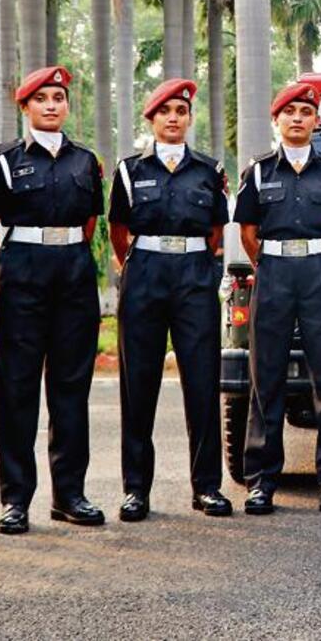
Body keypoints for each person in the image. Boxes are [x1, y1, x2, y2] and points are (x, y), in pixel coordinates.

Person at [0, 65, 106, 534]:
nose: (52, 105)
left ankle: (69, 494)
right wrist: (7, 273)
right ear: (25, 107)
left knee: (71, 388)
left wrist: (66, 256)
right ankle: (15, 499)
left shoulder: (85, 162)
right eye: (42, 99)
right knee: (17, 390)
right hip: (22, 271)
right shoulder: (4, 159)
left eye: (59, 98)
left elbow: (90, 225)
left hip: (72, 270)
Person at [108, 78, 234, 521]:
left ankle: (208, 488)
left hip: (193, 278)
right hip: (144, 276)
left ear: (190, 119)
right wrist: (135, 267)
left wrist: (201, 268)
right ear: (152, 119)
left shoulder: (209, 171)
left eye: (181, 111)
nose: (174, 118)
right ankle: (136, 490)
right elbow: (117, 230)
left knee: (201, 384)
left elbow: (217, 231)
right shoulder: (129, 171)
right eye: (165, 112)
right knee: (138, 386)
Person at [233, 82, 321, 515]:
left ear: (316, 121)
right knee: (266, 380)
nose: (298, 118)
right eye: (290, 112)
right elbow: (248, 232)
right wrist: (271, 263)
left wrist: (313, 260)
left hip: (319, 274)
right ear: (276, 120)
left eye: (306, 111)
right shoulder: (259, 171)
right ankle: (262, 481)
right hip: (274, 273)